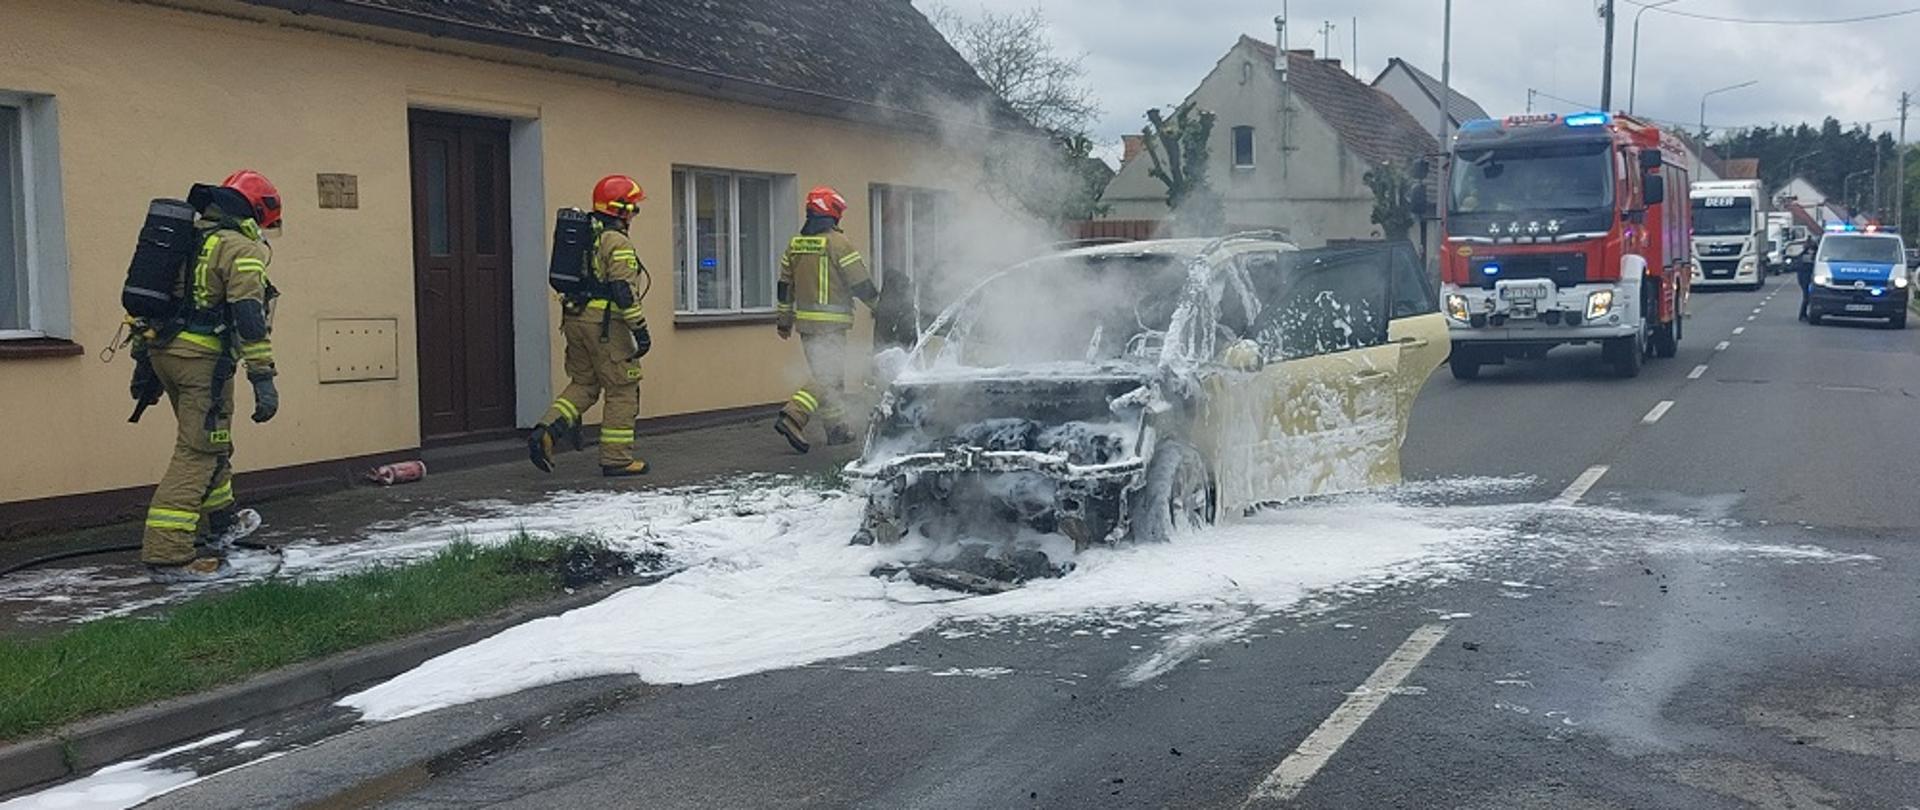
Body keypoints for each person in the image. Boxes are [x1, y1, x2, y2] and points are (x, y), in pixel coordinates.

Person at [140, 170, 283, 583]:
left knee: (213, 440)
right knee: (197, 452)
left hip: (165, 354)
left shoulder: (185, 238)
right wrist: (263, 377)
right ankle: (168, 556)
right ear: (254, 212)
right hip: (202, 364)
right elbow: (249, 320)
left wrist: (142, 366)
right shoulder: (240, 248)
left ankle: (221, 525)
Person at [529, 175, 652, 476]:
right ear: (619, 209)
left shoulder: (585, 234)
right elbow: (623, 290)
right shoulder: (616, 240)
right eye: (633, 209)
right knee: (622, 388)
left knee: (584, 384)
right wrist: (640, 329)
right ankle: (617, 459)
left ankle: (546, 431)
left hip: (574, 319)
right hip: (606, 327)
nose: (634, 215)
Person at [774, 186, 879, 453]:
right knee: (826, 375)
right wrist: (879, 306)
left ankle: (837, 430)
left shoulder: (795, 244)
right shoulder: (838, 243)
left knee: (831, 378)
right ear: (831, 213)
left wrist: (783, 320)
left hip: (805, 325)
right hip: (831, 325)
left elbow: (784, 286)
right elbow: (860, 282)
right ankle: (794, 415)